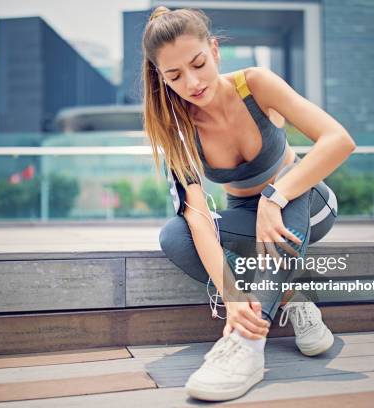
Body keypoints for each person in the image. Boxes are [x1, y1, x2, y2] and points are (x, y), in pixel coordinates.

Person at [141, 6, 356, 401]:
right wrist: (232, 295)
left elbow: (338, 139)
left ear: (215, 50)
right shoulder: (176, 128)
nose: (192, 82)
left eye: (198, 63)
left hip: (306, 202)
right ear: (161, 78)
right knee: (174, 235)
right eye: (174, 75)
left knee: (286, 201)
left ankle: (247, 344)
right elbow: (199, 217)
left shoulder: (255, 85)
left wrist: (275, 196)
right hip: (244, 216)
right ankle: (293, 295)